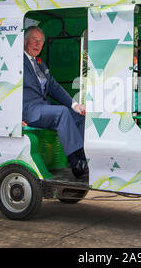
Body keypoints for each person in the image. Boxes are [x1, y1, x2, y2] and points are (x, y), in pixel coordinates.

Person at [22, 26, 88, 178]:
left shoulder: (39, 63)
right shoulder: (17, 62)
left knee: (79, 115)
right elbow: (8, 90)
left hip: (44, 108)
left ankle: (84, 157)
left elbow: (54, 87)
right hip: (29, 110)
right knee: (62, 112)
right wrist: (14, 117)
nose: (38, 44)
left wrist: (75, 105)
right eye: (34, 40)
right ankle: (76, 162)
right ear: (25, 41)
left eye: (41, 41)